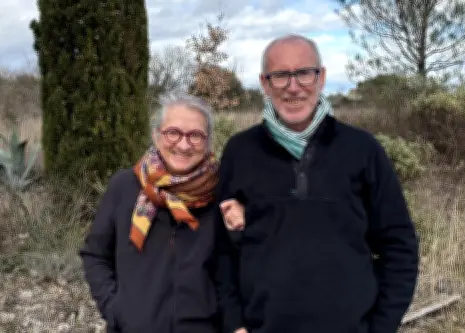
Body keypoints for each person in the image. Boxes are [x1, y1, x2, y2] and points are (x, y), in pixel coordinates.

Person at [212, 33, 420, 333]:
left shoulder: (362, 149)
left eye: (304, 73)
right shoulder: (240, 151)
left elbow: (399, 245)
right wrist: (234, 324)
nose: (293, 86)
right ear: (265, 84)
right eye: (280, 76)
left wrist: (381, 326)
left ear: (321, 78)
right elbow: (222, 250)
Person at [80, 92, 228, 333]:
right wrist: (115, 310)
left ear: (208, 141)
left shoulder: (222, 192)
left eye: (195, 136)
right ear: (156, 135)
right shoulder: (124, 186)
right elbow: (95, 255)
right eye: (173, 133)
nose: (183, 145)